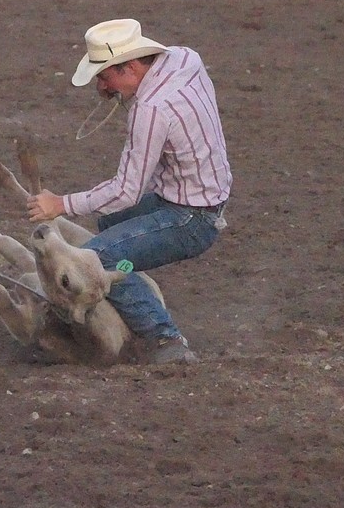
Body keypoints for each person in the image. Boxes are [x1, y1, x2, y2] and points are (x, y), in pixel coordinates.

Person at [26, 19, 231, 364]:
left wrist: (60, 204)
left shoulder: (150, 111)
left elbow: (126, 191)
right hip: (203, 195)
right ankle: (129, 287)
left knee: (97, 259)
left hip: (189, 216)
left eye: (105, 77)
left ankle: (165, 339)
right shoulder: (185, 59)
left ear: (132, 66)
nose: (103, 89)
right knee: (110, 225)